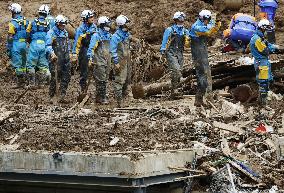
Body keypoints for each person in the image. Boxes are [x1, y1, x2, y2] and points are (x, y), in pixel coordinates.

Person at [189, 10, 221, 107]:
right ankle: (205, 99)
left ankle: (199, 100)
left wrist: (216, 25)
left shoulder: (204, 23)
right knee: (202, 75)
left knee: (205, 74)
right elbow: (207, 31)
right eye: (207, 19)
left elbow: (210, 29)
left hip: (203, 50)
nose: (208, 21)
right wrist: (213, 27)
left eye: (209, 19)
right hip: (198, 53)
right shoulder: (196, 27)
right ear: (202, 18)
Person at [249, 19, 279, 105]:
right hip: (261, 63)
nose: (267, 32)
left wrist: (274, 46)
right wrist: (274, 49)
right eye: (266, 29)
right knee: (263, 83)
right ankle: (263, 103)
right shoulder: (257, 39)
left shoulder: (260, 37)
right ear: (263, 28)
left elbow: (267, 44)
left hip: (263, 62)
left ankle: (265, 100)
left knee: (267, 80)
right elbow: (265, 50)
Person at [160, 12, 190, 97]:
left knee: (179, 72)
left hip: (180, 53)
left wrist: (189, 40)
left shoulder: (185, 31)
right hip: (171, 52)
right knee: (176, 70)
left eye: (182, 20)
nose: (181, 22)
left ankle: (176, 90)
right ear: (176, 20)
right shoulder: (170, 30)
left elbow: (188, 43)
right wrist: (162, 51)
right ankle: (174, 89)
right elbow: (165, 41)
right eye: (179, 20)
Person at [46, 15, 71, 103]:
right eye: (61, 25)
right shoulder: (51, 33)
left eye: (64, 25)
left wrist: (70, 54)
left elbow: (67, 44)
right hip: (55, 58)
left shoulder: (65, 32)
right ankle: (52, 96)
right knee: (55, 77)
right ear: (57, 24)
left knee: (67, 76)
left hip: (65, 57)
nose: (63, 26)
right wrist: (52, 54)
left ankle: (61, 95)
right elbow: (48, 46)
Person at [87, 16, 112, 104]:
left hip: (107, 60)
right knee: (100, 79)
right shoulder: (96, 36)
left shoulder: (109, 36)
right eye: (107, 25)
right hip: (98, 60)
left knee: (105, 79)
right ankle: (101, 97)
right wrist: (90, 59)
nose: (109, 27)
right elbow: (91, 49)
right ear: (101, 26)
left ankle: (100, 95)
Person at [72, 10, 97, 93]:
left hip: (94, 50)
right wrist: (75, 54)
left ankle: (98, 92)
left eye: (93, 16)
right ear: (85, 19)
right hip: (84, 50)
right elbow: (76, 42)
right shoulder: (80, 29)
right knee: (84, 71)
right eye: (90, 17)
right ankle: (83, 89)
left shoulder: (94, 27)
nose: (92, 18)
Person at [26, 5, 51, 87]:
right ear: (47, 13)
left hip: (34, 44)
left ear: (39, 12)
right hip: (44, 45)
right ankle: (42, 83)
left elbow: (28, 33)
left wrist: (29, 41)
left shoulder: (33, 22)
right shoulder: (48, 24)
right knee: (43, 64)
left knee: (31, 64)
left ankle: (31, 83)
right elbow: (49, 35)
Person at [110, 15, 132, 107]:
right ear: (122, 25)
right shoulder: (115, 36)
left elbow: (128, 44)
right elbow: (112, 50)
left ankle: (124, 98)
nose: (129, 25)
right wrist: (116, 62)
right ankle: (119, 101)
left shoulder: (126, 34)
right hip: (119, 61)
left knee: (127, 79)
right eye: (127, 24)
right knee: (119, 80)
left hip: (127, 60)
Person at [7, 3, 29, 87]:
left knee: (17, 64)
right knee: (24, 63)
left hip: (16, 44)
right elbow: (29, 33)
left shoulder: (12, 23)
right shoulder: (26, 21)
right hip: (24, 44)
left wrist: (9, 48)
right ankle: (26, 81)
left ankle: (21, 82)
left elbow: (10, 37)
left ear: (13, 12)